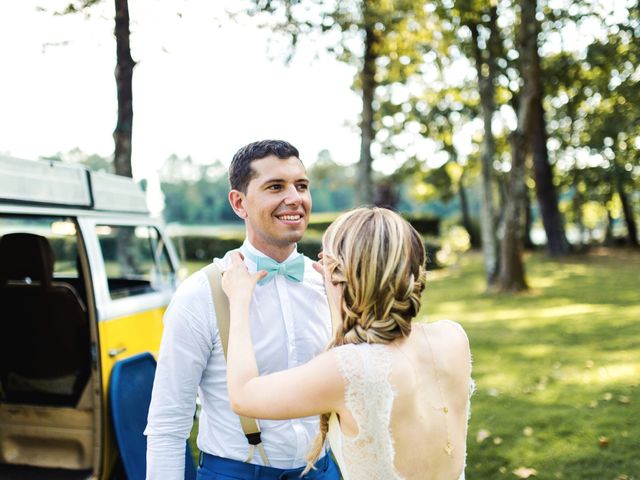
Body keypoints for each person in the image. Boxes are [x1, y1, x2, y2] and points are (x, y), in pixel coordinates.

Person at [221, 207, 474, 480]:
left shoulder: (349, 369)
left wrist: (239, 298)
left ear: (342, 274)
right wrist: (338, 292)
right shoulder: (452, 338)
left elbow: (244, 395)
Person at [145, 139, 340, 479]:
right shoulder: (200, 294)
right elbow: (168, 423)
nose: (294, 198)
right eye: (275, 187)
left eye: (301, 186)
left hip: (322, 469)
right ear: (239, 203)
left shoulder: (329, 285)